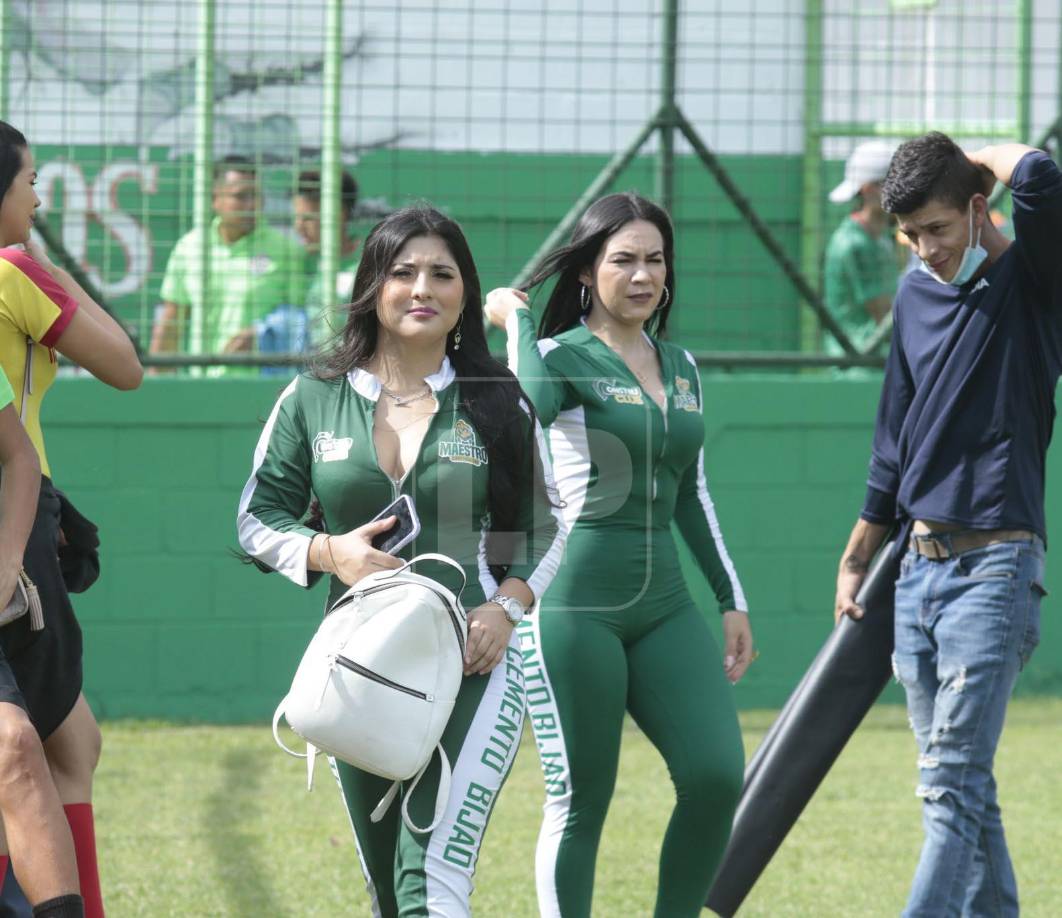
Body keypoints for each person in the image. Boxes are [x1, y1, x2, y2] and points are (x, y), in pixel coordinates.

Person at [237, 205, 563, 916]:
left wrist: (505, 606)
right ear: (372, 288)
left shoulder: (498, 401)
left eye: (442, 275)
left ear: (464, 296)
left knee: (431, 881)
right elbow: (255, 521)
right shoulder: (312, 398)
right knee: (390, 892)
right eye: (403, 271)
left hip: (477, 660)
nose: (423, 288)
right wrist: (329, 552)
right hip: (359, 665)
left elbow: (541, 528)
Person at [485, 191, 754, 918]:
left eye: (655, 260)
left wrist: (731, 600)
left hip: (665, 601)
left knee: (717, 775)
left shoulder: (682, 365)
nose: (643, 276)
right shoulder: (556, 356)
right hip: (575, 603)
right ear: (585, 273)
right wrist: (512, 322)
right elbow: (526, 404)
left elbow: (692, 493)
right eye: (623, 260)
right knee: (581, 802)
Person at [834, 132, 1061, 917]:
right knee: (961, 783)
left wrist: (970, 152)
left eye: (937, 228)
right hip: (916, 570)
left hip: (995, 569)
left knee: (950, 787)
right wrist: (861, 546)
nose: (925, 250)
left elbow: (1037, 175)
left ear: (976, 206)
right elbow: (896, 428)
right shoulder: (915, 295)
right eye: (910, 235)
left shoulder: (1035, 283)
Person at [0, 120, 143, 918]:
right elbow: (125, 366)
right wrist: (43, 268)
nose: (38, 195)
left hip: (22, 506)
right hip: (19, 526)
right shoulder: (14, 272)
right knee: (43, 746)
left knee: (66, 741)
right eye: (28, 183)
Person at [150, 155, 306, 376]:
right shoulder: (190, 248)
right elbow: (171, 322)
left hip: (266, 387)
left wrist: (261, 333)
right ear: (216, 200)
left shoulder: (286, 250)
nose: (251, 204)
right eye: (241, 196)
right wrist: (157, 384)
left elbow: (301, 316)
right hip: (204, 386)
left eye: (256, 196)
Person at [824, 141, 900, 357]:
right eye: (893, 183)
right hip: (860, 364)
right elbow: (883, 314)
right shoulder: (853, 244)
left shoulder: (881, 237)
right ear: (868, 189)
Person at [293, 167, 361, 341]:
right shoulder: (300, 262)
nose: (298, 227)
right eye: (297, 218)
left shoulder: (368, 263)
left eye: (308, 218)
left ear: (338, 215)